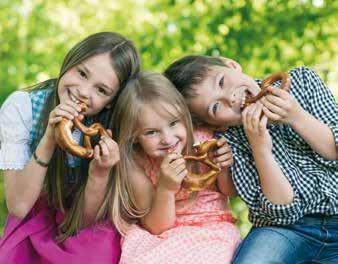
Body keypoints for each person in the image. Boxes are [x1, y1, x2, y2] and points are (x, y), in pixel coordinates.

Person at [164, 55, 338, 263]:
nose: (230, 98)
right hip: (285, 230)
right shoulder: (227, 142)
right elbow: (283, 213)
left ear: (231, 64)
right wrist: (260, 149)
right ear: (216, 125)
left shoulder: (302, 82)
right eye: (215, 108)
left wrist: (296, 116)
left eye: (221, 82)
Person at [0, 32, 140, 263]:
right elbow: (19, 206)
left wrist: (100, 172)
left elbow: (86, 221)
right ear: (70, 61)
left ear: (112, 101)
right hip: (33, 218)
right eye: (82, 73)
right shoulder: (22, 107)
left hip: (85, 223)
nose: (84, 91)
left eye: (101, 90)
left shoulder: (110, 130)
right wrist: (49, 139)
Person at [109, 71, 241, 264]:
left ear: (184, 114)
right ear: (135, 135)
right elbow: (156, 227)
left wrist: (224, 165)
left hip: (212, 230)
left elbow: (229, 190)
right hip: (162, 235)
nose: (168, 139)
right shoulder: (136, 162)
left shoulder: (205, 139)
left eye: (173, 123)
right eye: (152, 132)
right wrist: (165, 189)